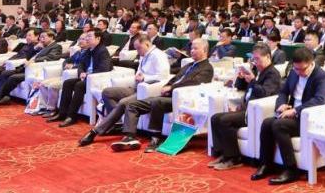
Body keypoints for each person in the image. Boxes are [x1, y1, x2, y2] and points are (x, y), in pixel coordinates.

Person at [78, 37, 213, 151]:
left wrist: (171, 87)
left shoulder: (207, 68)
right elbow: (174, 78)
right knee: (132, 105)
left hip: (181, 99)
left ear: (205, 50)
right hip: (165, 94)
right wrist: (167, 85)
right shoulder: (189, 65)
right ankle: (129, 137)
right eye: (192, 48)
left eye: (195, 48)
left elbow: (194, 83)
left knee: (154, 102)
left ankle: (155, 138)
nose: (192, 51)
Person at [251, 46, 325, 185]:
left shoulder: (321, 76)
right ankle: (266, 164)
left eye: (302, 69)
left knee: (279, 125)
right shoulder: (294, 73)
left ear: (311, 63)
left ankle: (291, 169)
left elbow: (320, 99)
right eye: (296, 69)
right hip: (291, 114)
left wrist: (295, 110)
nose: (299, 73)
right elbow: (283, 92)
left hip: (308, 118)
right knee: (267, 123)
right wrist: (281, 105)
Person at [209, 43, 282, 170]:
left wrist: (252, 81)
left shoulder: (272, 74)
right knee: (215, 118)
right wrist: (241, 78)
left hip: (255, 113)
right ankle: (224, 154)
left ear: (268, 57)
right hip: (246, 108)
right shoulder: (256, 71)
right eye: (254, 59)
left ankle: (234, 158)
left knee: (225, 121)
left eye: (258, 59)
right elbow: (240, 87)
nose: (255, 62)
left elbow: (264, 93)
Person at [0, 30, 63, 108]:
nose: (41, 39)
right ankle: (4, 97)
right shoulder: (42, 46)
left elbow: (52, 57)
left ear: (51, 37)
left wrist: (35, 60)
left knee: (13, 78)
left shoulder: (56, 46)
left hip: (35, 71)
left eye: (44, 37)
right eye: (40, 37)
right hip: (25, 67)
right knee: (5, 73)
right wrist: (35, 48)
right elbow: (28, 57)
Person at [51, 31, 112, 127]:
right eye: (86, 36)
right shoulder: (89, 50)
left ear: (98, 38)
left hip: (97, 79)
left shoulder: (102, 51)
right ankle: (62, 113)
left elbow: (104, 69)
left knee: (79, 85)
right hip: (87, 78)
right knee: (67, 83)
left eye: (89, 36)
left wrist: (88, 74)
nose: (87, 38)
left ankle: (71, 116)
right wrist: (82, 73)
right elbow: (81, 64)